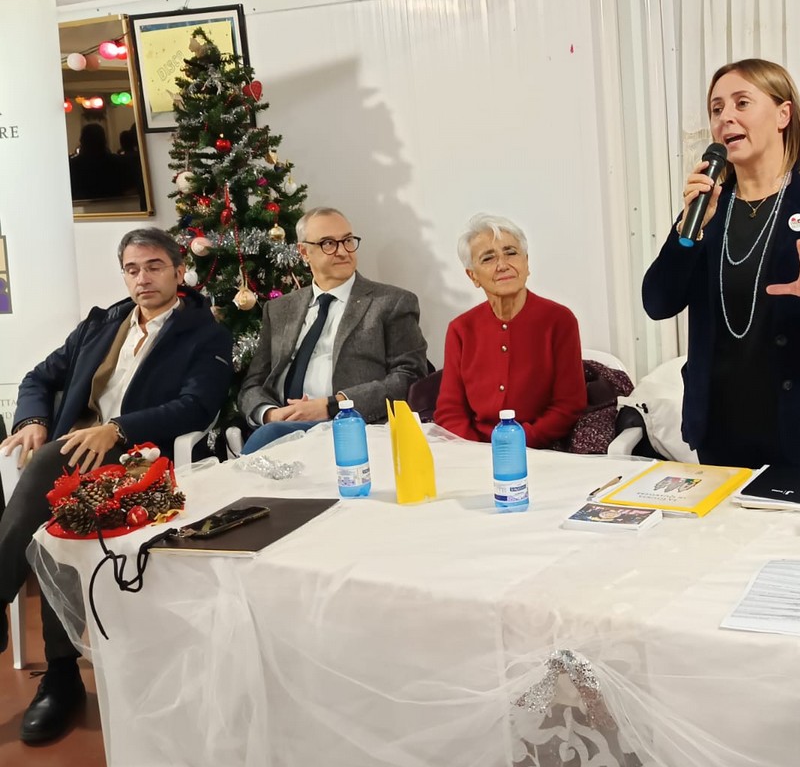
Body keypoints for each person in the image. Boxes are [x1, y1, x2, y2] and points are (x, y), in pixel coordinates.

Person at [0, 227, 232, 743]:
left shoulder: (205, 333)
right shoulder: (102, 323)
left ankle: (61, 677)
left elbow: (197, 406)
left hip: (140, 461)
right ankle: (61, 676)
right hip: (71, 458)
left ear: (179, 271)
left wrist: (118, 429)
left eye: (154, 266)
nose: (142, 278)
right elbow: (38, 378)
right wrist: (32, 420)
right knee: (54, 508)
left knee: (51, 472)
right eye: (132, 269)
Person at [642, 58, 800, 470]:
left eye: (742, 103)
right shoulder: (709, 210)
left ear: (783, 114)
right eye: (717, 108)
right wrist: (688, 233)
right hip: (721, 433)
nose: (726, 117)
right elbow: (657, 302)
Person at [239, 207, 429, 453]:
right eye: (328, 243)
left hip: (351, 428)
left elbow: (409, 377)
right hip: (284, 426)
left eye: (347, 240)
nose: (342, 251)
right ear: (304, 252)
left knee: (267, 440)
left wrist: (332, 405)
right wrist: (271, 415)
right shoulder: (279, 309)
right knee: (271, 435)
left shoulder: (391, 303)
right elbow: (253, 384)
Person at [434, 213, 587, 447]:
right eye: (488, 258)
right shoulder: (461, 329)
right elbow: (449, 410)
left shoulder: (559, 320)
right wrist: (476, 451)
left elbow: (569, 405)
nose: (503, 265)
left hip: (541, 448)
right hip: (474, 450)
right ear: (473, 275)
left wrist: (517, 443)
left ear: (527, 263)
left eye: (511, 253)